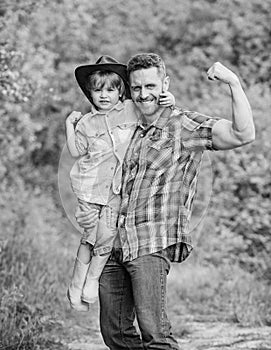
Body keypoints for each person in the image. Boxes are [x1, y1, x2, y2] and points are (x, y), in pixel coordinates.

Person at [76, 53, 255, 349]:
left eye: (150, 86)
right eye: (136, 88)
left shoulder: (183, 126)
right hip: (112, 244)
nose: (144, 94)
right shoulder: (126, 129)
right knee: (115, 335)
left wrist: (232, 82)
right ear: (129, 92)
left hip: (149, 243)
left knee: (156, 335)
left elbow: (242, 134)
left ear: (165, 85)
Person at [65, 55, 175, 312]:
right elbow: (74, 150)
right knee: (88, 236)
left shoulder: (129, 110)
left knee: (106, 235)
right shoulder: (86, 123)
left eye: (111, 90)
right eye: (98, 90)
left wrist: (171, 101)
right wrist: (69, 125)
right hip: (90, 188)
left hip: (116, 189)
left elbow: (155, 109)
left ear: (120, 91)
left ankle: (91, 281)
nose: (104, 96)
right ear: (89, 93)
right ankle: (75, 285)